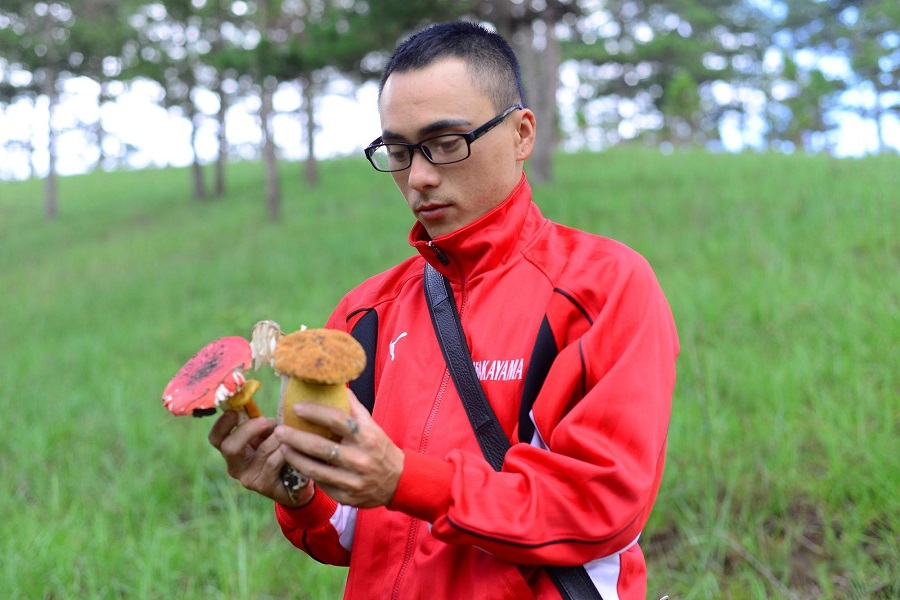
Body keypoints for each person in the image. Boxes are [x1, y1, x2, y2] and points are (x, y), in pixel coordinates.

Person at [208, 21, 678, 600]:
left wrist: (407, 480)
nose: (419, 178)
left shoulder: (601, 289)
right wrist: (300, 489)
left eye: (447, 143)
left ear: (522, 134)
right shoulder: (366, 315)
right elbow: (352, 533)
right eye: (399, 151)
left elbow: (599, 506)